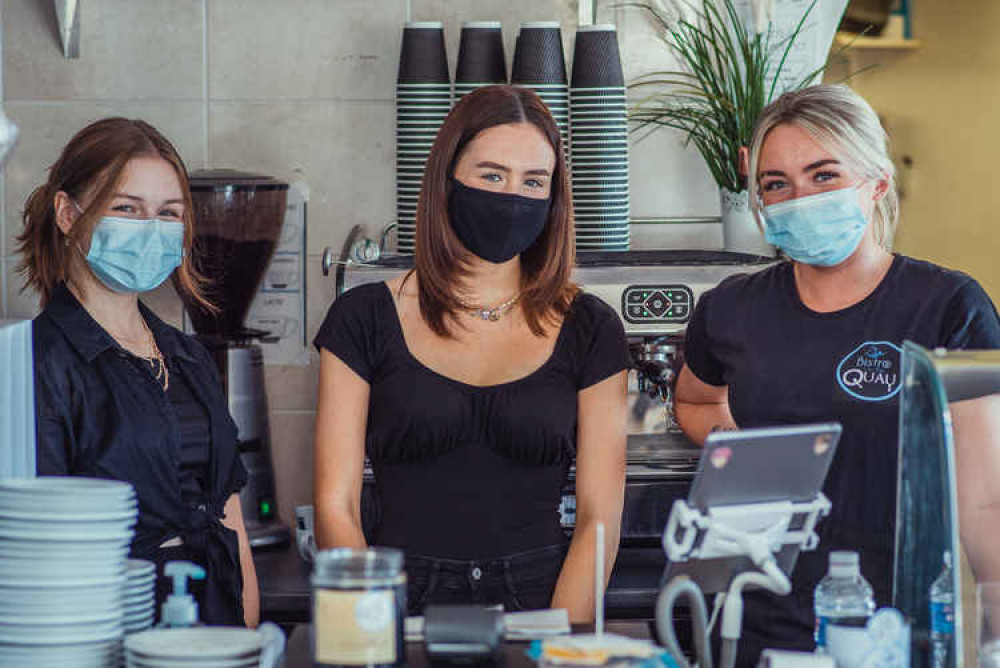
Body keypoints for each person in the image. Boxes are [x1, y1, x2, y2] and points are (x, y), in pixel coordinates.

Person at [674, 84, 1000, 663]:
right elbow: (697, 401)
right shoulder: (731, 308)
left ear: (876, 182)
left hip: (895, 627)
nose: (799, 198)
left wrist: (995, 634)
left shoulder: (950, 307)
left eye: (823, 176)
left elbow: (986, 502)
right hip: (759, 618)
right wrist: (739, 453)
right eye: (777, 184)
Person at [313, 85, 630, 621]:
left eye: (534, 181)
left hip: (542, 599)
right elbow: (334, 506)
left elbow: (600, 519)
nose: (512, 196)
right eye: (491, 175)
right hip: (397, 595)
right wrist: (371, 626)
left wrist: (560, 641)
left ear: (554, 199)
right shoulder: (363, 318)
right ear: (447, 180)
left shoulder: (591, 328)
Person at [19, 118, 259, 627]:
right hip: (109, 628)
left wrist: (247, 639)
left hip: (214, 625)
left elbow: (228, 511)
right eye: (126, 208)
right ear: (67, 213)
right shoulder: (36, 364)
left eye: (168, 213)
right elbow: (38, 552)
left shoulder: (188, 356)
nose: (150, 227)